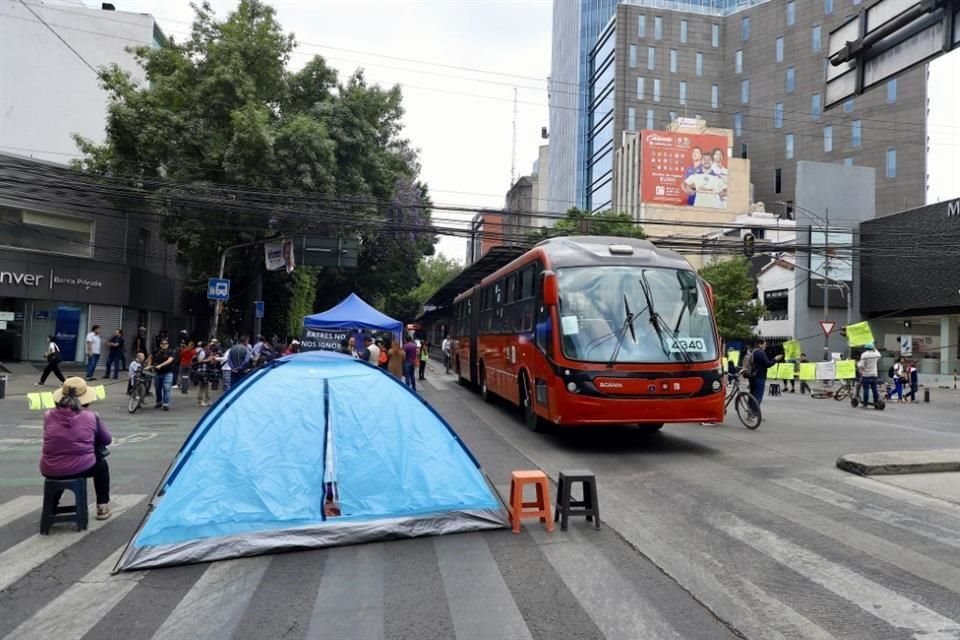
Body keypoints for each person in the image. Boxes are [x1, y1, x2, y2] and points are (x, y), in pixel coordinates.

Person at [40, 377, 113, 520]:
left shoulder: (48, 416)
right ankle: (102, 507)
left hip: (50, 468)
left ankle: (51, 507)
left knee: (60, 467)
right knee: (101, 465)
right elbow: (107, 440)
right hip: (82, 467)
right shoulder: (91, 416)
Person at [743, 339, 782, 405]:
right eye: (764, 344)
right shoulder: (760, 353)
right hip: (759, 376)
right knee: (758, 395)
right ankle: (755, 411)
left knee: (752, 394)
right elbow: (768, 364)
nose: (765, 346)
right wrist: (775, 359)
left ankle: (750, 410)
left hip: (751, 375)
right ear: (760, 344)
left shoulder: (752, 351)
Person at [150, 337, 176, 411]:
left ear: (168, 344)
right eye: (162, 343)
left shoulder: (171, 351)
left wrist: (161, 365)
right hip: (157, 373)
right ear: (160, 344)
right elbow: (150, 357)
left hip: (168, 373)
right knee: (158, 388)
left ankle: (166, 404)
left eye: (166, 343)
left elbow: (170, 360)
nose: (164, 345)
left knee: (166, 388)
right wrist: (149, 365)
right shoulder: (156, 351)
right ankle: (159, 402)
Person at [857, 342, 882, 407]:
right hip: (874, 374)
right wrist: (875, 348)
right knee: (874, 389)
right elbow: (879, 355)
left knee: (866, 389)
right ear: (872, 347)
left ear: (866, 347)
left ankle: (865, 403)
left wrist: (857, 364)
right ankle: (876, 402)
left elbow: (861, 365)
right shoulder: (875, 354)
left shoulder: (864, 355)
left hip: (866, 375)